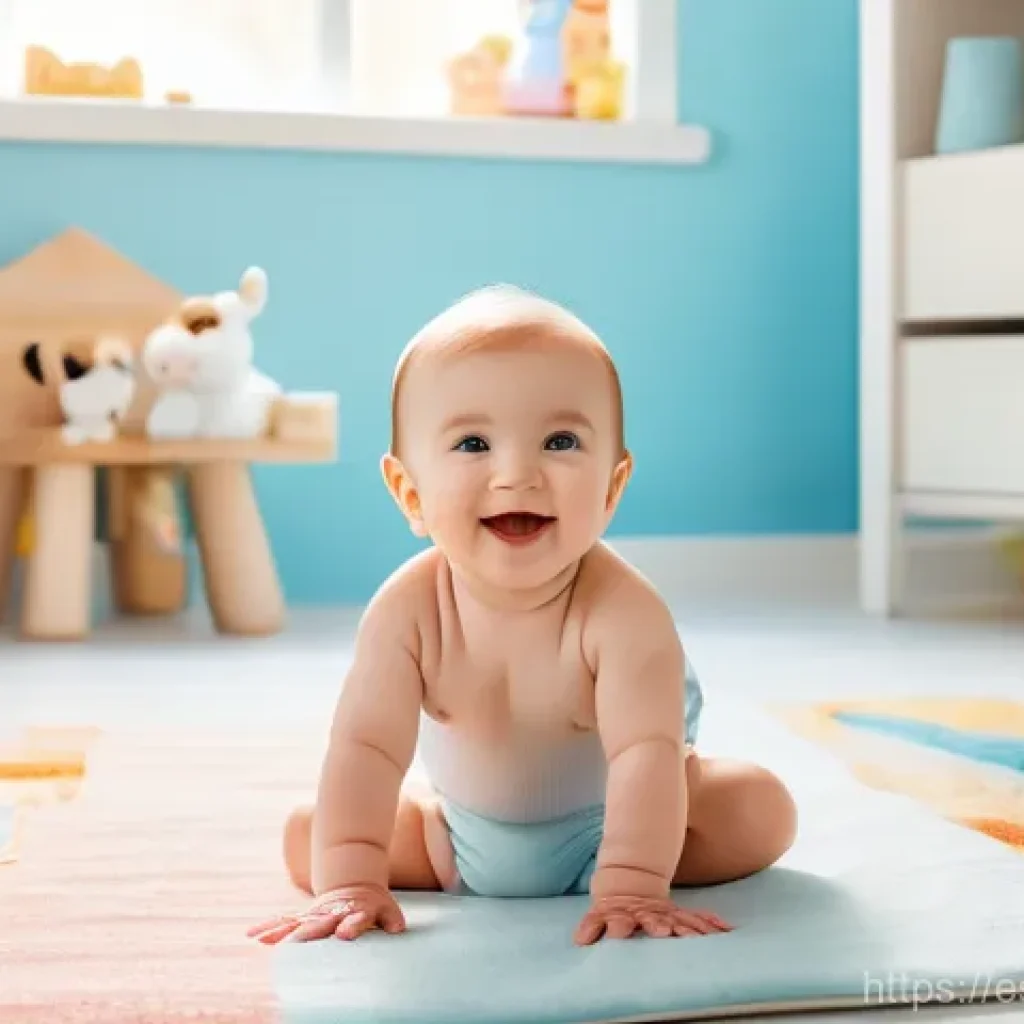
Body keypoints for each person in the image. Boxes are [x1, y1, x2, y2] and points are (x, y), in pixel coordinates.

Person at [248, 286, 797, 948]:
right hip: (454, 839)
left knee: (759, 809)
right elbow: (365, 748)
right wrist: (351, 878)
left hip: (625, 827)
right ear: (410, 494)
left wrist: (631, 881)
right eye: (474, 443)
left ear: (611, 490)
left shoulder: (624, 612)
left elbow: (643, 755)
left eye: (560, 440)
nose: (517, 474)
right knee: (309, 836)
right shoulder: (407, 611)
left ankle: (629, 863)